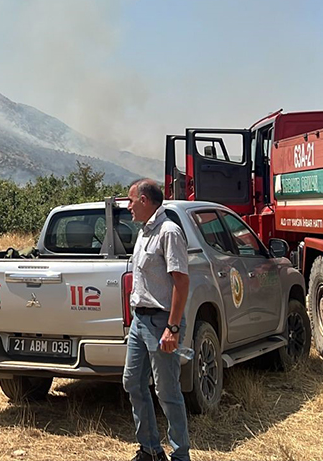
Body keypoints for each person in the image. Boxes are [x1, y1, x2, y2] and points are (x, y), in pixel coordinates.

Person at [123, 179, 191, 461]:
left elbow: (181, 282)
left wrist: (172, 328)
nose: (128, 207)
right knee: (133, 383)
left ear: (145, 200)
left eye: (130, 201)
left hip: (162, 322)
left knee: (167, 391)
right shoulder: (143, 233)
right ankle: (150, 450)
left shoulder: (169, 231)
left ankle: (180, 454)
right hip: (141, 322)